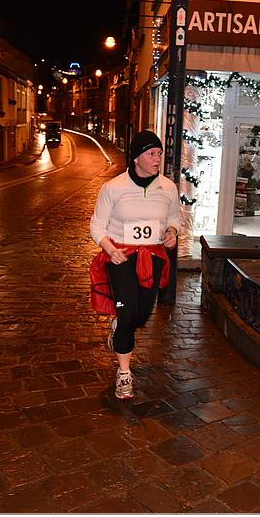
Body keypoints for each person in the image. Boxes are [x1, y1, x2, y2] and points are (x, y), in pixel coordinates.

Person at [90, 130, 181, 399]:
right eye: (152, 154)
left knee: (141, 315)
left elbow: (174, 218)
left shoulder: (168, 188)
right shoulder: (114, 188)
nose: (157, 159)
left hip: (151, 258)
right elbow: (97, 225)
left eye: (160, 154)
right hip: (121, 258)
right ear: (137, 157)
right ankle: (124, 373)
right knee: (127, 313)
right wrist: (110, 249)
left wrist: (172, 233)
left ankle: (120, 326)